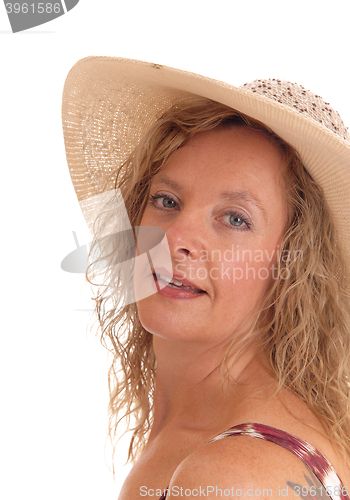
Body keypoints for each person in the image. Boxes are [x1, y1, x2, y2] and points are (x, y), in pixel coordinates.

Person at [62, 57, 350, 499]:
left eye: (235, 218)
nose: (176, 237)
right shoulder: (225, 436)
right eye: (166, 199)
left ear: (294, 265)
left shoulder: (228, 475)